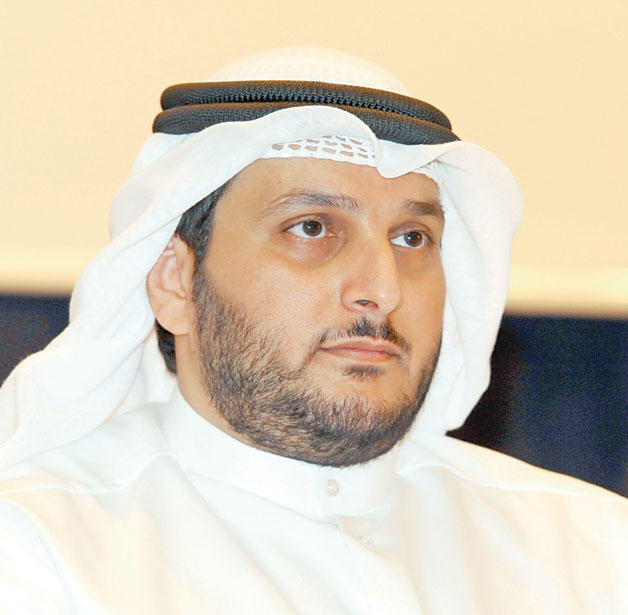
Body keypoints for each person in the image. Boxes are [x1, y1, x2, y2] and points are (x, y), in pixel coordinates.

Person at [0, 47, 625, 614]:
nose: (382, 289)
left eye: (412, 238)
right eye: (312, 228)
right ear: (175, 282)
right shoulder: (38, 549)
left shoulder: (593, 550)